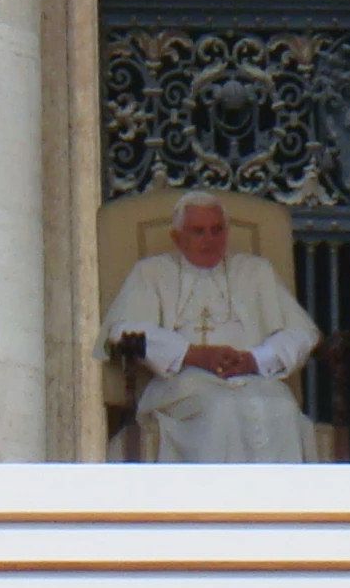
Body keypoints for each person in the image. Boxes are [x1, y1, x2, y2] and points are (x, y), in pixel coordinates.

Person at [97, 190, 320, 462]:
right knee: (222, 410)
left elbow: (302, 332)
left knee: (283, 409)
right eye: (198, 231)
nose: (209, 240)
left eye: (217, 230)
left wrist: (255, 359)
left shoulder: (255, 270)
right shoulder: (152, 272)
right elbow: (123, 331)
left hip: (253, 379)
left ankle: (275, 504)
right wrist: (193, 354)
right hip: (183, 382)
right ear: (177, 238)